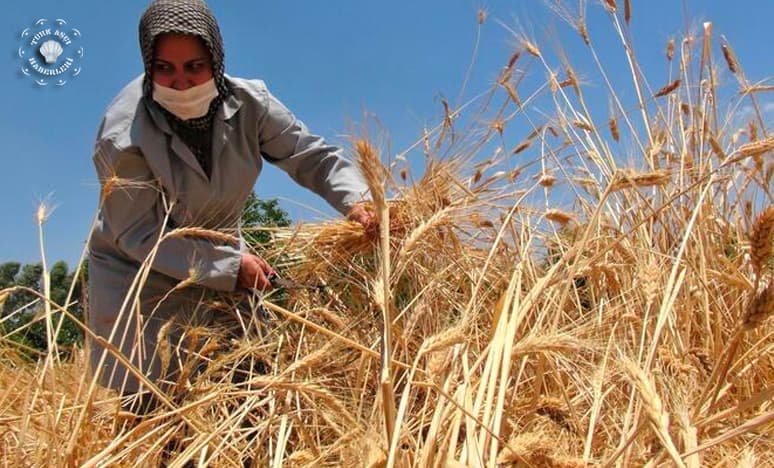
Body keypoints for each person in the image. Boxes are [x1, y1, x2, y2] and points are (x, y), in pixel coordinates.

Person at [87, 0, 373, 410]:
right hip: (141, 275)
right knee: (161, 408)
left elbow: (310, 156)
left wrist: (358, 202)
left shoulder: (251, 104)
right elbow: (139, 234)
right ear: (147, 64)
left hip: (223, 254)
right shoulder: (122, 134)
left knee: (253, 384)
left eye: (195, 66)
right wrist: (228, 267)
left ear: (216, 59)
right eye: (165, 68)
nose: (181, 83)